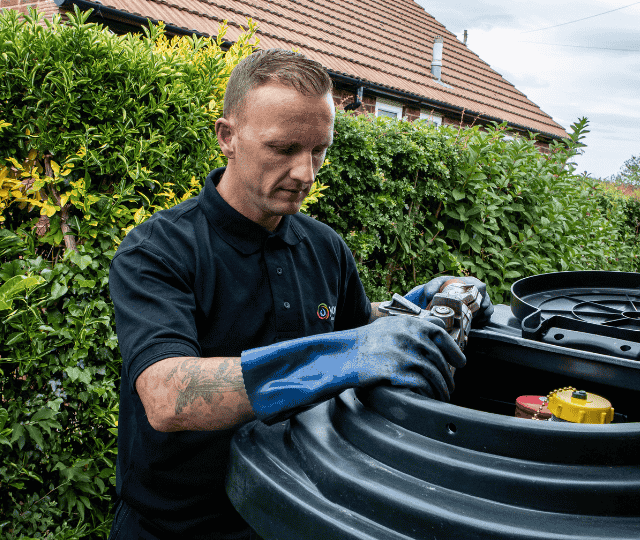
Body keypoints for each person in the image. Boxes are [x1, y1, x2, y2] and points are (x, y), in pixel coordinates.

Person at [107, 48, 491, 539]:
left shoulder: (324, 246)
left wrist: (409, 312)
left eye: (319, 150)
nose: (306, 174)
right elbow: (168, 395)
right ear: (227, 137)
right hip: (175, 528)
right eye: (284, 149)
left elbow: (355, 332)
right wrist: (344, 356)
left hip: (297, 518)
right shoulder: (158, 250)